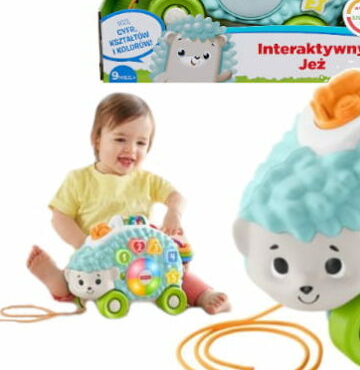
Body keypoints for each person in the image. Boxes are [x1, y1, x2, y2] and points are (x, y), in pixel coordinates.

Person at [26, 93, 230, 315]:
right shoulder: (79, 179)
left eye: (141, 142)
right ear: (97, 139)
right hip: (100, 263)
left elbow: (177, 197)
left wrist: (174, 213)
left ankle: (203, 295)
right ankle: (56, 280)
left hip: (144, 260)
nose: (131, 149)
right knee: (80, 281)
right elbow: (60, 217)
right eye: (120, 139)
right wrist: (85, 245)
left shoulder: (147, 180)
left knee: (179, 274)